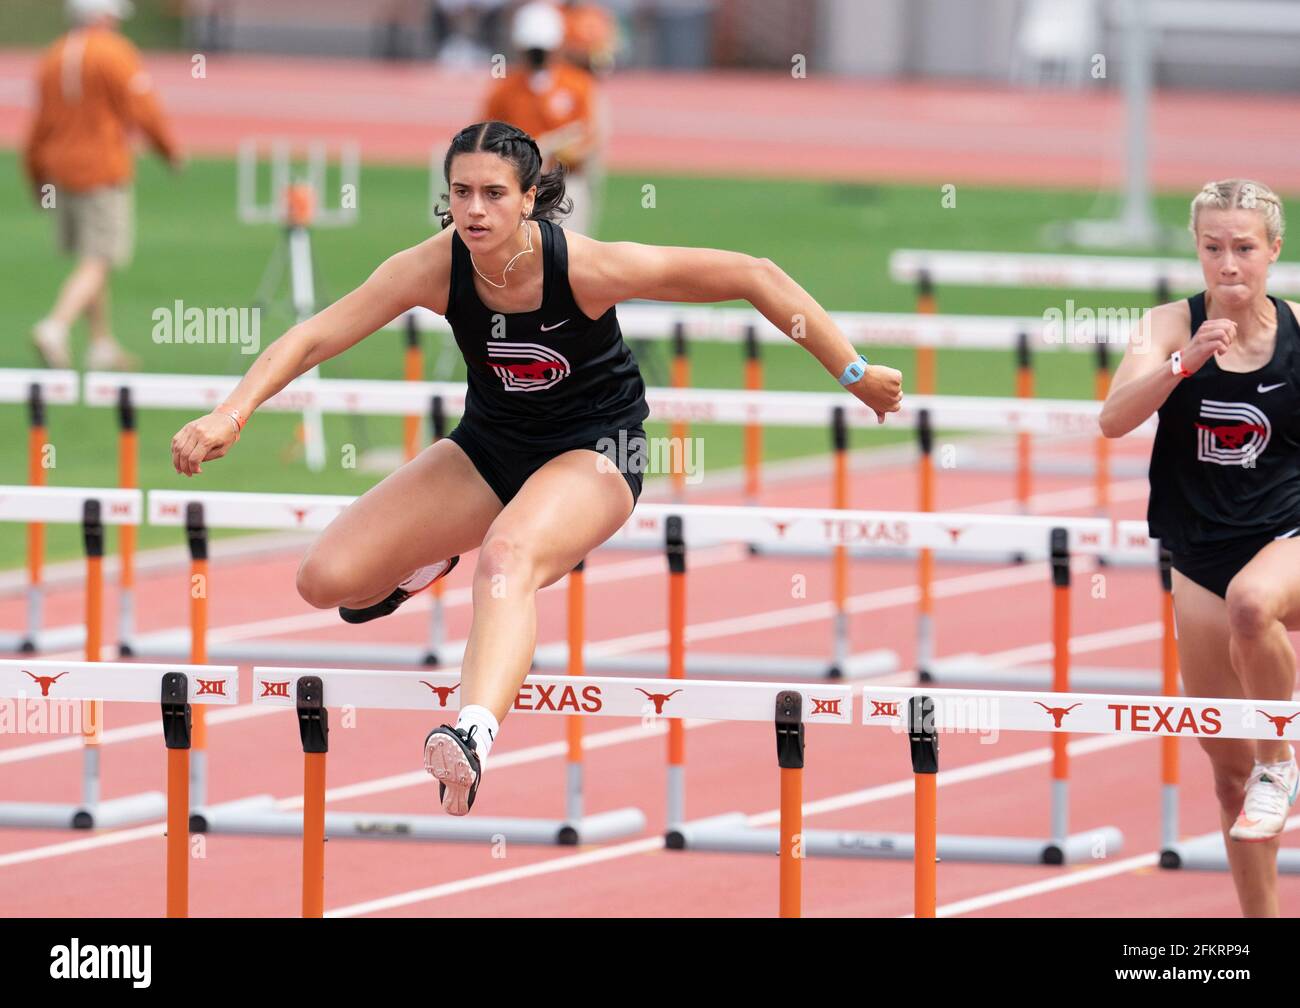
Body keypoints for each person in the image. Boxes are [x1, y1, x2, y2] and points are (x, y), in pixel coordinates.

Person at [169, 120, 902, 817]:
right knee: (325, 580)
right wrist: (230, 413)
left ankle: (472, 734)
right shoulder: (432, 267)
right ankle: (426, 561)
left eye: (493, 194)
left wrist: (854, 371)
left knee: (509, 555)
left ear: (529, 198)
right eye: (461, 193)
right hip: (492, 448)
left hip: (599, 450)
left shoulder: (582, 266)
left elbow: (752, 273)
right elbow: (311, 337)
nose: (475, 210)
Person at [1100, 178, 1299, 917]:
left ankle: (1284, 762)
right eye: (1213, 248)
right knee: (1227, 774)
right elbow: (1113, 420)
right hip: (1201, 551)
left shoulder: (1299, 332)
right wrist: (1179, 366)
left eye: (1245, 248)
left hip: (1288, 537)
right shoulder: (1166, 329)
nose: (1229, 265)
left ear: (1274, 250)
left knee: (1256, 604)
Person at [23, 0, 183, 371]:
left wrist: (35, 175)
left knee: (91, 255)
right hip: (102, 168)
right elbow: (144, 107)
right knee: (100, 258)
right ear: (102, 16)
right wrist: (168, 150)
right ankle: (56, 325)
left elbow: (38, 126)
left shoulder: (53, 56)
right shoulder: (115, 53)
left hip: (60, 169)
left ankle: (100, 343)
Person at [482, 1, 601, 234]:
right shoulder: (505, 89)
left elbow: (588, 139)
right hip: (518, 183)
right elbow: (486, 138)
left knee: (568, 255)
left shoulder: (577, 85)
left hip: (564, 184)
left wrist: (563, 151)